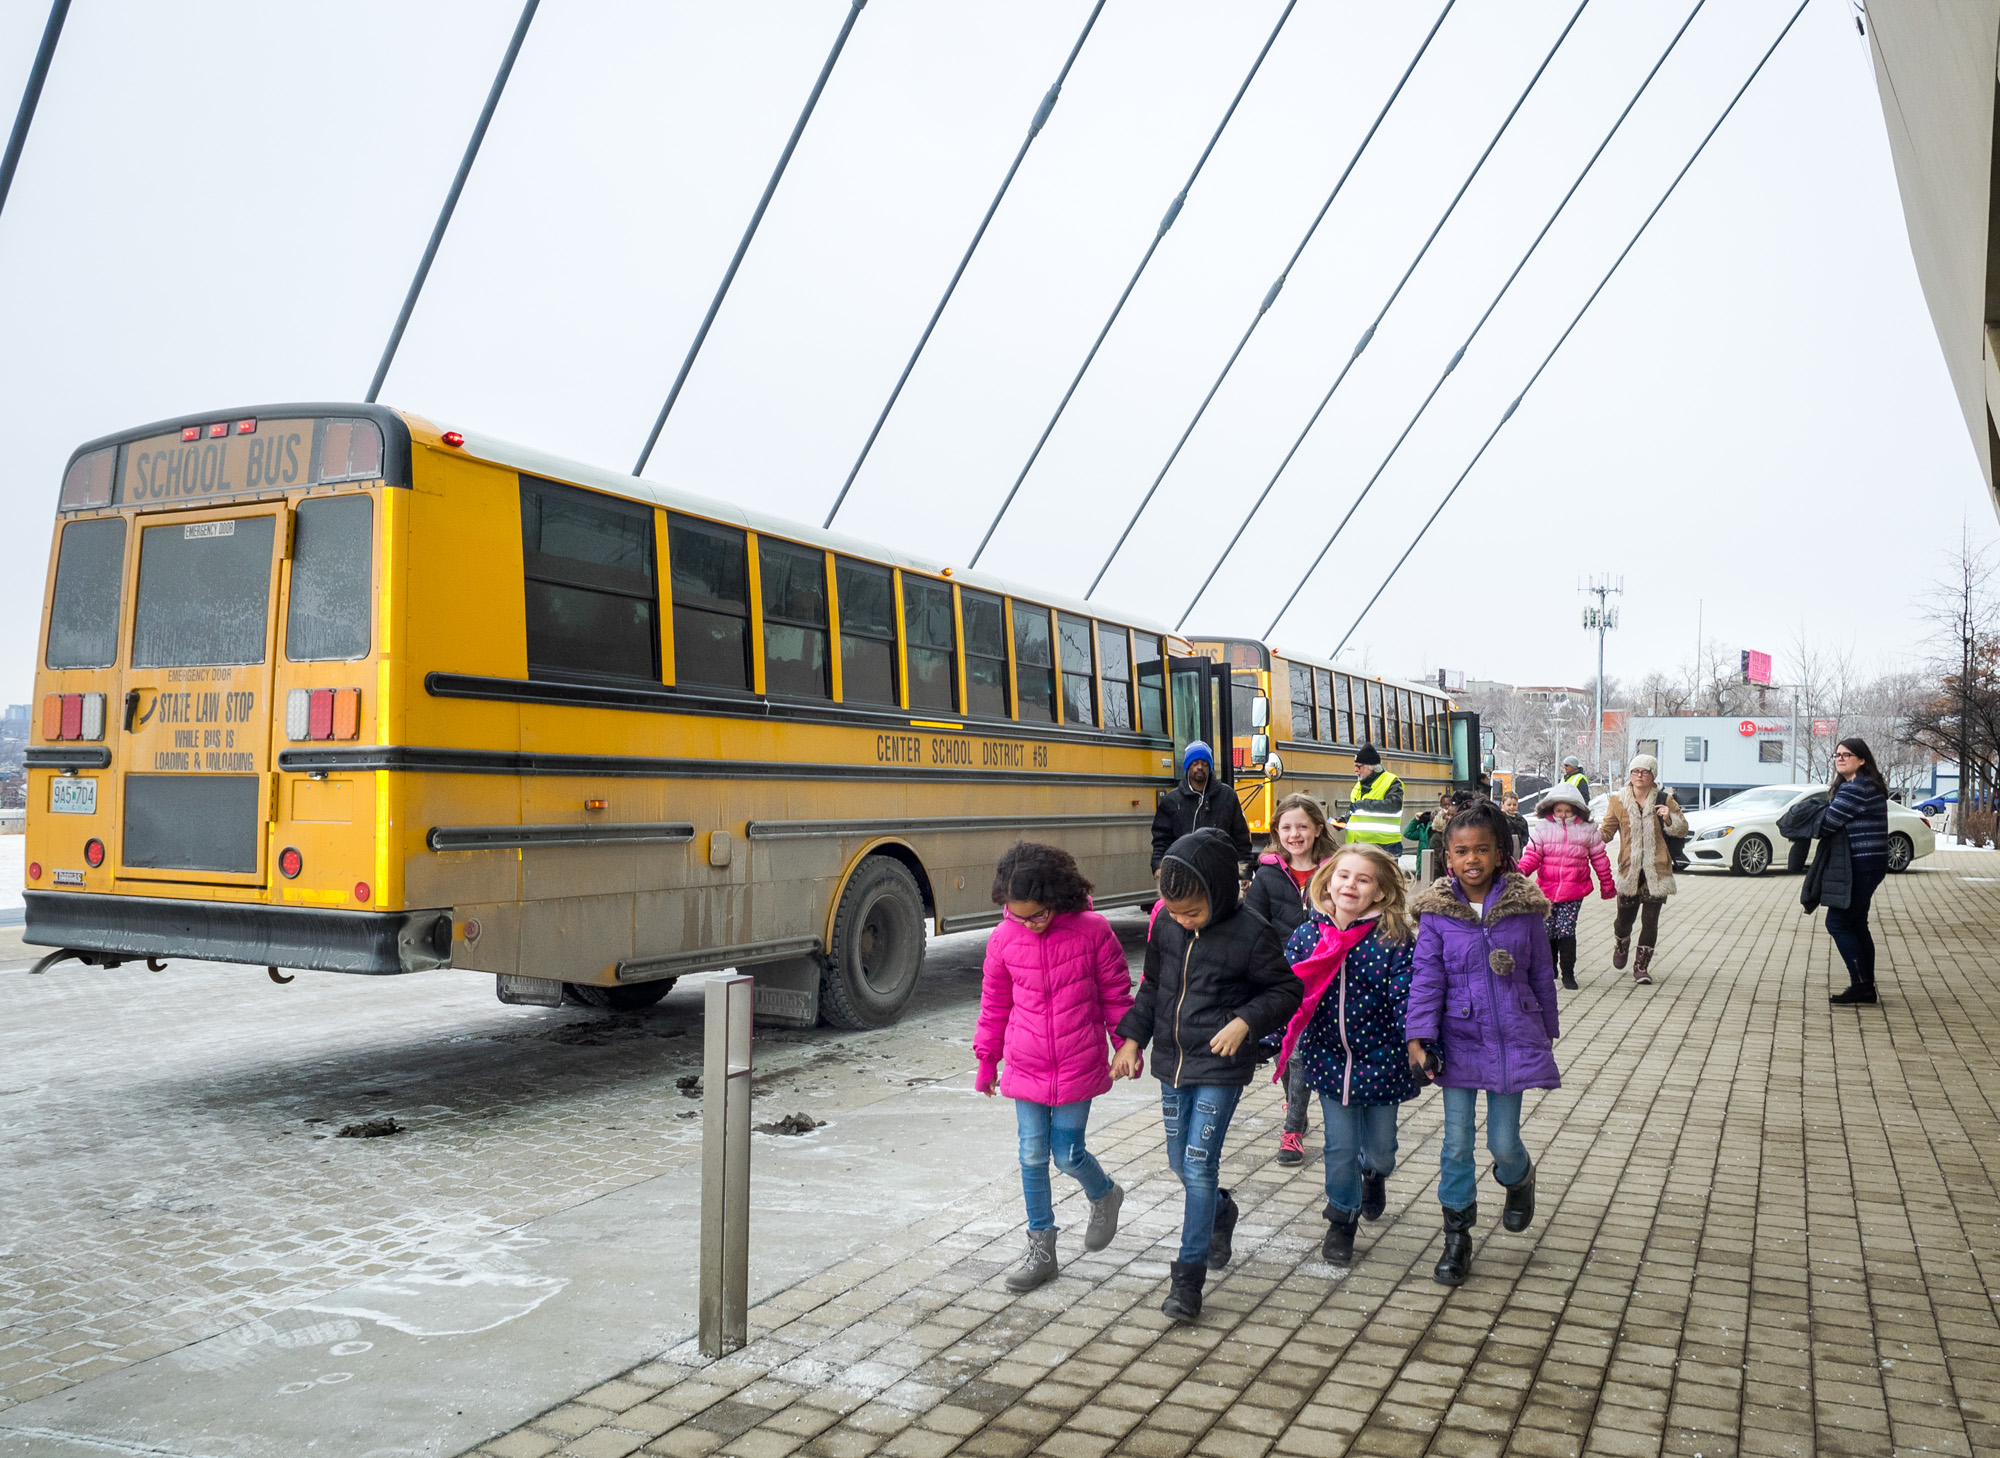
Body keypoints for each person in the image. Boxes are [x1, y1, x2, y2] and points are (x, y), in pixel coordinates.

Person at [1112, 828, 1302, 1323]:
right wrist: (1131, 1040)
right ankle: (1220, 1211)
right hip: (1172, 1064)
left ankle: (1188, 1280)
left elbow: (1286, 991)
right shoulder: (1166, 926)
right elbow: (1152, 986)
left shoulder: (1252, 931)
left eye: (1192, 911)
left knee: (1197, 1167)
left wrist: (1245, 1022)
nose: (1182, 920)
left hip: (1221, 1065)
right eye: (1174, 911)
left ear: (1219, 893)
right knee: (1180, 1163)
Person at [1405, 800, 1561, 1287]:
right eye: (1461, 851)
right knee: (1456, 1143)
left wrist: (1545, 1033)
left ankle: (1519, 1178)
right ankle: (1457, 1237)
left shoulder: (1526, 909)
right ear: (1447, 857)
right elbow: (1426, 978)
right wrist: (1418, 1036)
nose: (1471, 859)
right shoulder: (1436, 915)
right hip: (1457, 1038)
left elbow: (1541, 973)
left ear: (1500, 853)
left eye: (1482, 850)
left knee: (1502, 1141)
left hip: (1512, 1037)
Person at [975, 843, 1135, 1291]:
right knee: (1030, 1155)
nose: (1029, 923)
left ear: (1059, 896)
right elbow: (994, 1004)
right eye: (1019, 915)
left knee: (1067, 1155)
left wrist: (1126, 1045)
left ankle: (1104, 1194)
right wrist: (987, 1060)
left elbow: (1116, 995)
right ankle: (1041, 1248)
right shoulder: (1003, 939)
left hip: (1077, 1062)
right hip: (1025, 1065)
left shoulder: (1093, 930)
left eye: (1038, 914)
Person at [1270, 844, 1420, 1267]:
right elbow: (1285, 994)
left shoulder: (1393, 939)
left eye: (1363, 879)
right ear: (1328, 882)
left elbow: (1406, 996)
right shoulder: (1308, 936)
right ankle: (1341, 1219)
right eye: (1343, 876)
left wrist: (1419, 1042)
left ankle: (1373, 1174)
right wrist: (1266, 1035)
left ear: (1379, 893)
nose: (1350, 884)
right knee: (1338, 1147)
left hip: (1382, 1062)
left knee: (1381, 1150)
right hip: (1329, 1061)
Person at [1245, 793, 1338, 1168]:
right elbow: (1254, 925)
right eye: (1286, 827)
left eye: (1302, 826)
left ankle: (1293, 1129)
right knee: (1290, 1051)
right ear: (1276, 832)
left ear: (1317, 828)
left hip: (1327, 972)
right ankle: (1296, 1115)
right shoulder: (1266, 874)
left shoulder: (1335, 869)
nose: (1294, 834)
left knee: (1300, 1054)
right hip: (1282, 978)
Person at [1597, 754, 1687, 985]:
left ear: (1652, 776)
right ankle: (1621, 942)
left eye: (1644, 772)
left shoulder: (1665, 799)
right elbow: (1607, 831)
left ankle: (1641, 967)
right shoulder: (1618, 800)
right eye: (1635, 771)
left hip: (1657, 869)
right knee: (1624, 920)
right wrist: (1588, 837)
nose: (1639, 776)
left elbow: (1682, 829)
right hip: (1629, 869)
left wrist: (1669, 819)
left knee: (1650, 920)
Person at [1516, 783, 1615, 990]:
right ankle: (1550, 967)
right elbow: (1532, 855)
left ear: (1576, 810)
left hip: (1573, 889)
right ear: (1551, 809)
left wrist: (1607, 884)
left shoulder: (1587, 830)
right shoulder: (1543, 828)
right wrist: (1519, 872)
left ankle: (1568, 972)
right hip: (1546, 889)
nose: (1562, 815)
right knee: (1548, 929)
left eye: (1567, 810)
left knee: (1566, 929)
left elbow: (1599, 858)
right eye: (1559, 810)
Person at [1815, 737, 1891, 1005]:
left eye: (1847, 755)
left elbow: (1827, 824)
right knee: (1857, 923)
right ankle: (1865, 986)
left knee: (1838, 922)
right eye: (1837, 755)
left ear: (1861, 760)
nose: (1840, 758)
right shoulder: (1866, 786)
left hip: (1860, 864)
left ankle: (1861, 985)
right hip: (1870, 864)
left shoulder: (1857, 788)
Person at [1151, 740, 1252, 874]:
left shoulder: (1227, 796)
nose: (1200, 767)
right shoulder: (1171, 800)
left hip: (1221, 873)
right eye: (1195, 763)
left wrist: (1244, 872)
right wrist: (1158, 867)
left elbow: (1241, 838)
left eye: (1205, 763)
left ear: (1209, 767)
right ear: (1188, 766)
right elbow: (1161, 840)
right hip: (1183, 873)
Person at [1341, 744, 1405, 853]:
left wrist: (1363, 804)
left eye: (1358, 766)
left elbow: (1394, 805)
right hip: (1357, 846)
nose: (1355, 770)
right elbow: (1357, 812)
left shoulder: (1391, 781)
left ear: (1370, 767)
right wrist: (1344, 820)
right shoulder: (1359, 784)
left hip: (1384, 846)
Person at [1500, 793, 1531, 858]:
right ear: (1502, 804)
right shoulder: (1500, 819)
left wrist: (1521, 843)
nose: (1512, 807)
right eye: (1509, 805)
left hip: (1518, 853)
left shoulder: (1521, 820)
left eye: (1514, 805)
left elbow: (1525, 835)